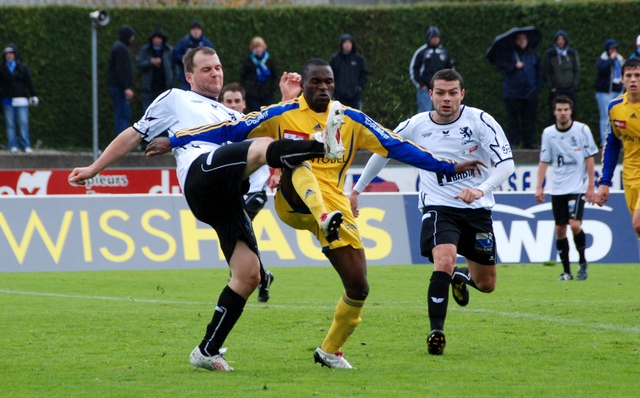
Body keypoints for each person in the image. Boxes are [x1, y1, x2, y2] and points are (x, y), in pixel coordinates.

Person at [147, 58, 483, 368]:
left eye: (328, 82)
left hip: (336, 208)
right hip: (295, 200)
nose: (322, 87)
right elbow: (228, 129)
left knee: (359, 286)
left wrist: (447, 166)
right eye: (315, 82)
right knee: (296, 157)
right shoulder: (281, 113)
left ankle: (330, 350)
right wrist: (174, 141)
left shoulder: (351, 119)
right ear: (304, 85)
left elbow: (396, 145)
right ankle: (321, 204)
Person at [68, 47, 339, 372]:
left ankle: (207, 350)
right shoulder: (176, 98)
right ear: (189, 75)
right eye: (207, 68)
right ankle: (323, 147)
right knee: (262, 147)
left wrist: (285, 99)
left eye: (218, 67)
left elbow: (267, 129)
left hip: (224, 195)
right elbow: (134, 133)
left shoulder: (231, 115)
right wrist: (94, 168)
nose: (215, 73)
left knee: (248, 275)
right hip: (201, 175)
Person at [350, 69, 513, 356]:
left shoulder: (480, 121)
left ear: (462, 94)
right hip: (439, 207)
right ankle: (436, 332)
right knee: (445, 260)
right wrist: (357, 190)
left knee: (487, 284)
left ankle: (461, 278)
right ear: (430, 95)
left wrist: (480, 190)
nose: (446, 98)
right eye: (440, 93)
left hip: (476, 210)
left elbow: (506, 164)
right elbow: (383, 150)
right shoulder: (416, 125)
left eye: (452, 93)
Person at [220, 82, 279, 302]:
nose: (233, 105)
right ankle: (262, 276)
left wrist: (277, 172)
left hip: (255, 192)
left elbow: (275, 145)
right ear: (222, 103)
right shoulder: (217, 130)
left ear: (244, 104)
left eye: (237, 101)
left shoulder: (254, 127)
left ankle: (239, 275)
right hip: (232, 195)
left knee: (237, 232)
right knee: (240, 236)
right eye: (229, 101)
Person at [535, 96, 597, 281]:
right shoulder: (548, 133)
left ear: (571, 111)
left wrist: (591, 186)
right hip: (558, 188)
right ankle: (567, 271)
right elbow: (544, 160)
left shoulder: (582, 130)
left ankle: (583, 262)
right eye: (559, 110)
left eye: (566, 110)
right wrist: (539, 186)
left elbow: (590, 158)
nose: (563, 113)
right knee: (560, 229)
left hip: (577, 187)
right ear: (554, 112)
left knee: (575, 225)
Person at [596, 57, 640, 242]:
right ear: (622, 79)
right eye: (629, 75)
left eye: (637, 75)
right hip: (630, 173)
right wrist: (605, 182)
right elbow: (612, 145)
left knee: (638, 223)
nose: (633, 80)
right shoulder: (615, 107)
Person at [499, 31, 542, 149]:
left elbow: (539, 72)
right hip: (512, 93)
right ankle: (513, 142)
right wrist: (513, 66)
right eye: (519, 39)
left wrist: (537, 88)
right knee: (513, 119)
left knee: (529, 119)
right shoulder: (510, 54)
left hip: (530, 93)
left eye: (524, 38)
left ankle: (529, 142)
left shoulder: (533, 54)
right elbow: (502, 66)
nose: (522, 41)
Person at [0, 44, 38, 153]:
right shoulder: (2, 68)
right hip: (7, 100)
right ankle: (12, 145)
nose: (9, 56)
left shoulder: (22, 67)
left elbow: (29, 81)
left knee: (23, 122)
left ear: (15, 55)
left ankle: (25, 145)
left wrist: (33, 94)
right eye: (7, 54)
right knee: (10, 124)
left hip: (21, 100)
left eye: (11, 54)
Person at [409, 26, 453, 113]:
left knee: (443, 113)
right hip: (426, 90)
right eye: (433, 37)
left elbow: (450, 69)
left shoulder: (444, 52)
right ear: (429, 38)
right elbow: (413, 69)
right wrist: (420, 85)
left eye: (437, 37)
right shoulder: (422, 52)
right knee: (424, 114)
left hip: (441, 89)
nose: (436, 40)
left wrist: (449, 84)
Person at [543, 30, 580, 121]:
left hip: (569, 89)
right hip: (556, 90)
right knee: (555, 113)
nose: (560, 41)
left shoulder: (572, 54)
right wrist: (551, 86)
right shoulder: (550, 54)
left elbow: (576, 70)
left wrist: (574, 86)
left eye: (562, 39)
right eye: (558, 39)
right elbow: (547, 71)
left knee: (571, 112)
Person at [135, 28, 175, 111]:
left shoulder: (169, 50)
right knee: (148, 112)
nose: (157, 40)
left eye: (159, 38)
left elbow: (174, 68)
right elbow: (138, 64)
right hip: (149, 89)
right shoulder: (145, 50)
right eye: (155, 38)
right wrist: (150, 62)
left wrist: (171, 82)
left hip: (164, 88)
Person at [595, 38, 624, 147]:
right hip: (605, 92)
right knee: (606, 117)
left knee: (619, 116)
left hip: (618, 90)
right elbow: (602, 70)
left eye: (615, 48)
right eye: (612, 49)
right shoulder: (602, 60)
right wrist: (611, 60)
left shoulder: (620, 59)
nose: (614, 51)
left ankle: (619, 140)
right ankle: (605, 141)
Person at [108, 25, 136, 137]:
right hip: (120, 88)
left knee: (122, 114)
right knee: (123, 114)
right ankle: (123, 140)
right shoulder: (121, 48)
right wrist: (126, 87)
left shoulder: (119, 47)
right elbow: (121, 70)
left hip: (117, 87)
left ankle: (122, 139)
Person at [329, 33, 368, 110]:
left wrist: (359, 88)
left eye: (349, 42)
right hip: (339, 98)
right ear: (341, 44)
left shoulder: (358, 59)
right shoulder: (335, 59)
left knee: (356, 117)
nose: (347, 45)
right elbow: (330, 75)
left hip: (355, 98)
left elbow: (364, 75)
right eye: (345, 42)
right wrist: (335, 89)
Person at [239, 36, 278, 112]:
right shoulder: (248, 60)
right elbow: (243, 75)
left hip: (267, 93)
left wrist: (272, 88)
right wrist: (247, 89)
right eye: (255, 47)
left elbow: (275, 75)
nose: (258, 49)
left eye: (260, 47)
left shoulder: (269, 60)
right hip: (252, 94)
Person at [173, 20, 214, 90]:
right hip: (187, 79)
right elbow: (174, 57)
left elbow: (212, 59)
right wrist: (186, 57)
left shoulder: (206, 43)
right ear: (190, 30)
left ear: (201, 31)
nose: (196, 31)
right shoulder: (184, 42)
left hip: (203, 78)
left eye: (198, 29)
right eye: (194, 29)